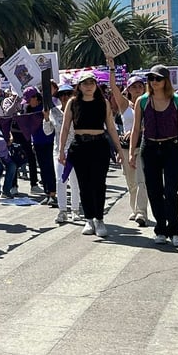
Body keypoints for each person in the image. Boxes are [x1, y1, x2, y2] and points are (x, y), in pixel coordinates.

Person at [129, 65, 178, 248]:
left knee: (171, 191)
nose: (154, 82)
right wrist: (132, 152)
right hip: (149, 148)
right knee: (154, 191)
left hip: (172, 147)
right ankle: (161, 228)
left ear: (166, 81)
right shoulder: (143, 101)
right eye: (151, 79)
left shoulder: (177, 100)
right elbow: (135, 129)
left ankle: (174, 230)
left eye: (157, 79)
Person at [58, 72, 125, 238]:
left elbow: (111, 127)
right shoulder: (73, 103)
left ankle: (99, 219)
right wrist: (61, 150)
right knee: (84, 184)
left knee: (99, 183)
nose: (88, 86)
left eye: (91, 82)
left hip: (99, 145)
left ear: (96, 85)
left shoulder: (103, 102)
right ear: (79, 86)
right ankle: (88, 219)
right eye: (85, 83)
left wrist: (119, 149)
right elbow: (65, 128)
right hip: (79, 146)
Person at [108, 71, 149, 227]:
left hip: (143, 145)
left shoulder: (149, 103)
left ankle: (141, 213)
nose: (137, 89)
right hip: (126, 147)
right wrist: (111, 68)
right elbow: (113, 87)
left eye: (140, 86)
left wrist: (137, 130)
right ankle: (135, 208)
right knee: (131, 181)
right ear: (128, 89)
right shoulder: (125, 105)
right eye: (134, 86)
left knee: (142, 181)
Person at [46, 84, 81, 224]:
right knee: (61, 180)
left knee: (75, 181)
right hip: (59, 151)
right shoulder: (54, 112)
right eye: (62, 95)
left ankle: (75, 210)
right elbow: (47, 131)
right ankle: (62, 211)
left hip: (75, 149)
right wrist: (46, 118)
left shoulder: (78, 110)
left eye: (67, 94)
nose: (65, 97)